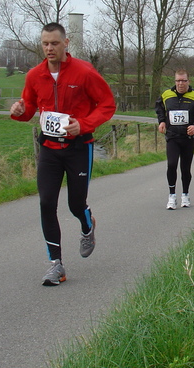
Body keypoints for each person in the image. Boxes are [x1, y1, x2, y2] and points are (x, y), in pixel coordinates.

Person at [10, 22, 116, 286]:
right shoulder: (34, 75)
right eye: (45, 43)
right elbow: (29, 108)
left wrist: (84, 124)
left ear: (65, 43)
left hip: (78, 148)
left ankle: (87, 224)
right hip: (48, 149)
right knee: (47, 203)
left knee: (75, 204)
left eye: (54, 43)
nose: (49, 48)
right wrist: (18, 112)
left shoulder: (84, 72)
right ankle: (55, 264)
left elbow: (107, 104)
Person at [155, 69, 194, 210]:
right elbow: (159, 107)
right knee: (172, 164)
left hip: (188, 138)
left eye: (183, 81)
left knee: (185, 168)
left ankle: (185, 194)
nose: (181, 83)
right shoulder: (167, 95)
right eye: (178, 81)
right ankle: (172, 196)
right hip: (172, 137)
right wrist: (161, 121)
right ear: (175, 81)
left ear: (188, 81)